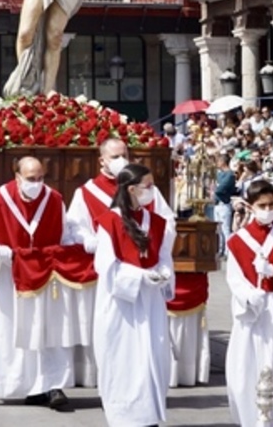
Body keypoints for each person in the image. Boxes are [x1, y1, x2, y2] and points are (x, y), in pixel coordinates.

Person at [65, 138, 175, 386]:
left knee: (150, 344)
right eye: (114, 156)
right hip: (113, 278)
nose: (121, 160)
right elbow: (74, 226)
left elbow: (167, 224)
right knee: (118, 339)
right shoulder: (86, 192)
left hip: (148, 277)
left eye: (124, 154)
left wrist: (158, 257)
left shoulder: (149, 190)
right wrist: (92, 241)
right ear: (101, 160)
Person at [0, 156, 75, 412]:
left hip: (45, 276)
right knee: (12, 328)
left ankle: (51, 384)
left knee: (47, 329)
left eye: (40, 178)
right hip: (10, 276)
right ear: (17, 177)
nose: (37, 184)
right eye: (30, 179)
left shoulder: (54, 199)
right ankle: (20, 383)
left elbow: (66, 233)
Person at [92, 163, 175, 427]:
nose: (152, 192)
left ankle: (149, 414)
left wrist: (162, 274)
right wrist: (140, 276)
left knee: (153, 353)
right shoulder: (110, 222)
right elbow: (105, 265)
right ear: (130, 189)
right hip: (121, 304)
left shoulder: (157, 223)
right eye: (147, 187)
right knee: (124, 357)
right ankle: (124, 417)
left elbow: (164, 258)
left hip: (150, 301)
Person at [225, 180, 273, 427]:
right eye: (262, 205)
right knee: (243, 369)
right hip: (251, 310)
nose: (268, 209)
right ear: (250, 206)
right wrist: (248, 295)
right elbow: (233, 278)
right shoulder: (238, 241)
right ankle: (249, 419)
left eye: (272, 204)